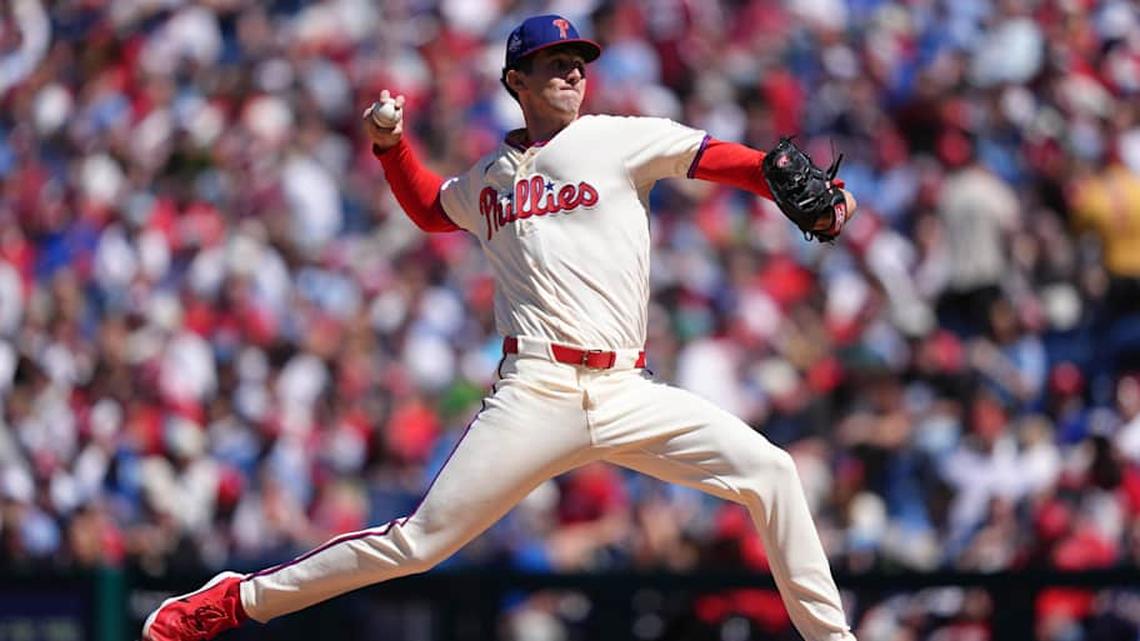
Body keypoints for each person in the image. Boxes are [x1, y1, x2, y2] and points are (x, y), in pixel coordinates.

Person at [143, 14, 859, 641]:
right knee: (419, 542)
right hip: (536, 389)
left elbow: (708, 157)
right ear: (516, 79)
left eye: (579, 61)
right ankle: (237, 599)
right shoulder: (489, 176)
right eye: (555, 62)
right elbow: (430, 208)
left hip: (626, 387)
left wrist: (774, 175)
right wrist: (391, 146)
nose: (574, 70)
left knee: (772, 471)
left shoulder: (618, 139)